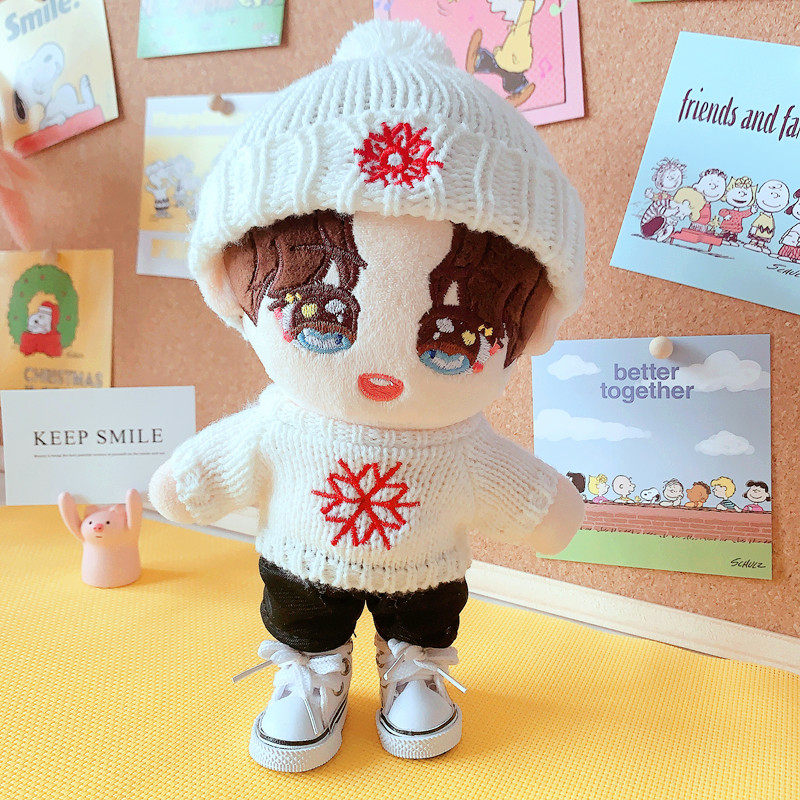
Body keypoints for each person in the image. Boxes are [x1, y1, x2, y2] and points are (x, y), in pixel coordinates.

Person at [148, 20, 585, 773]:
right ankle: (308, 667)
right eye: (322, 320)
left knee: (426, 610)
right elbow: (221, 464)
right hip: (301, 556)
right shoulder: (284, 425)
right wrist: (190, 484)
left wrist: (546, 508)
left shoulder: (459, 444)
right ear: (236, 290)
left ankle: (415, 663)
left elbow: (517, 489)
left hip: (427, 564)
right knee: (301, 610)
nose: (385, 370)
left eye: (454, 338)